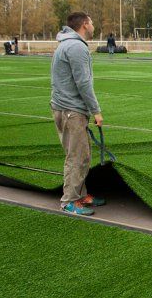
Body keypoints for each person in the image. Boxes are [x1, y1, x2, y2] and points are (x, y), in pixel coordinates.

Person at [51, 12, 105, 216]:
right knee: (76, 156)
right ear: (84, 24)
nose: (93, 25)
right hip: (71, 111)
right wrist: (96, 111)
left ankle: (80, 194)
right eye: (91, 22)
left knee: (81, 155)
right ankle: (69, 201)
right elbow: (83, 83)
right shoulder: (76, 47)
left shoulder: (67, 44)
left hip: (66, 108)